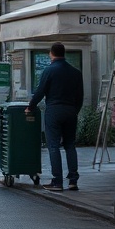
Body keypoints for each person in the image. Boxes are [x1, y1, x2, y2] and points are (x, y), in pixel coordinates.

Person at [27, 42, 84, 192]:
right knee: (70, 145)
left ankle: (57, 182)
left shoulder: (49, 70)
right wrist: (75, 111)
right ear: (64, 53)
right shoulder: (76, 72)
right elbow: (80, 96)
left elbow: (40, 92)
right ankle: (73, 180)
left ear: (51, 54)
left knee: (53, 146)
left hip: (54, 110)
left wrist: (30, 107)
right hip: (71, 111)